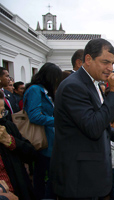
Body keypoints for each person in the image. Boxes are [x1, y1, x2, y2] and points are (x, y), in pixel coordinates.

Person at [50, 38, 114, 199]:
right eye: (105, 62)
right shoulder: (73, 86)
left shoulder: (92, 83)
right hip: (79, 179)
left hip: (89, 176)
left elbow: (98, 119)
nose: (110, 69)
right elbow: (93, 126)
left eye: (112, 63)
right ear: (88, 59)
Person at [23, 63, 62, 199]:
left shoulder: (42, 90)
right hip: (43, 140)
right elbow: (34, 116)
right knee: (44, 175)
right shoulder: (35, 90)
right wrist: (57, 121)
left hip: (48, 139)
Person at [0, 91, 37, 199]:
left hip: (18, 191)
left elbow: (31, 154)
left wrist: (10, 141)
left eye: (2, 112)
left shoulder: (8, 127)